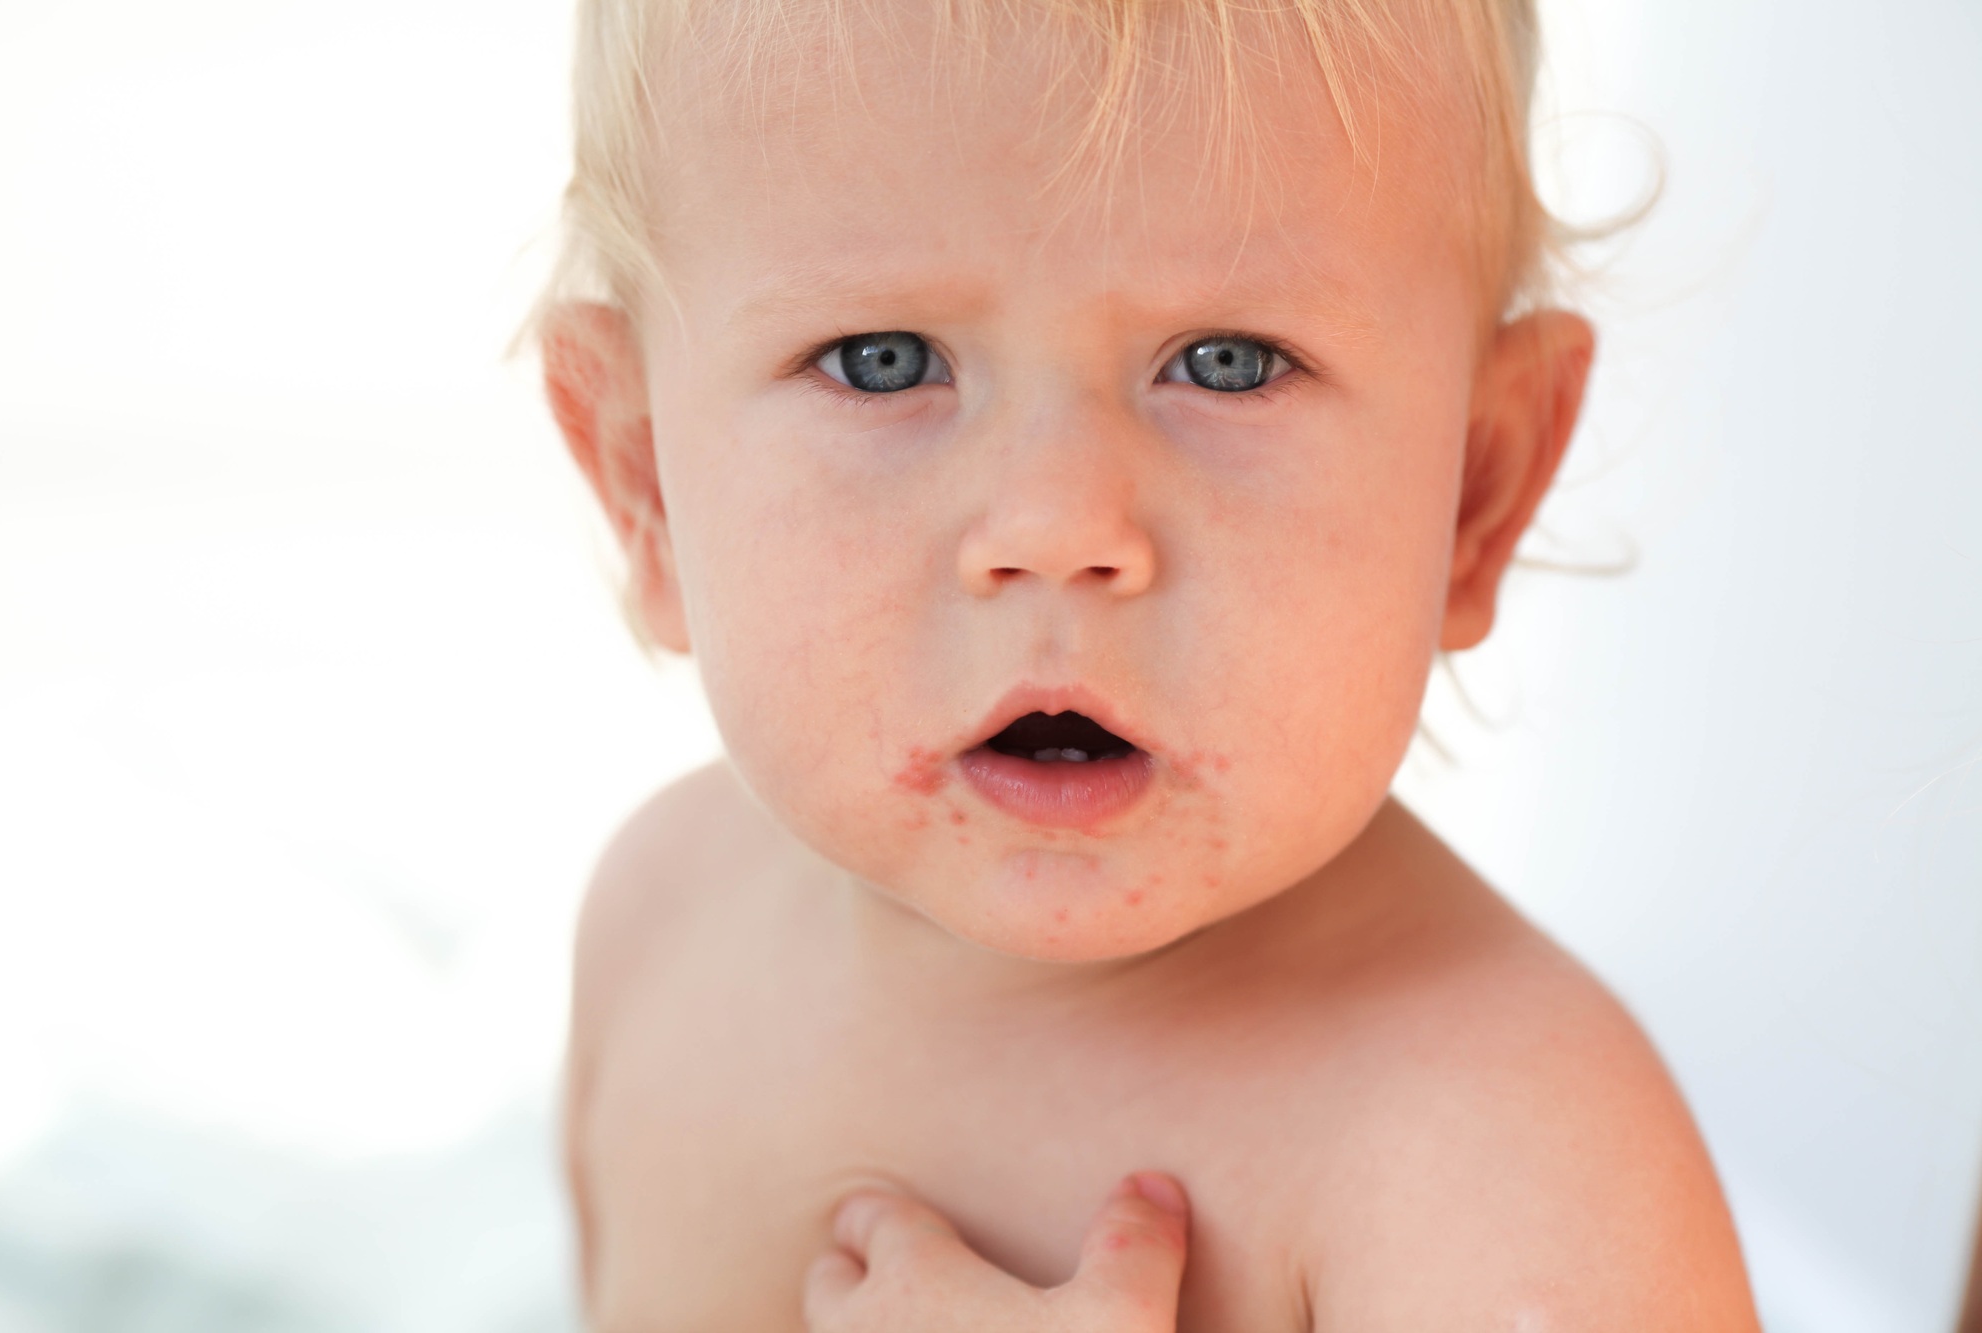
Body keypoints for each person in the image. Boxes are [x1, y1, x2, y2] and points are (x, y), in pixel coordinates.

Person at [536, 0, 1762, 1327]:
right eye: (882, 362)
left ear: (1479, 485)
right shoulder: (657, 919)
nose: (1059, 525)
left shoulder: (1509, 1165)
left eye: (1228, 365)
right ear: (642, 476)